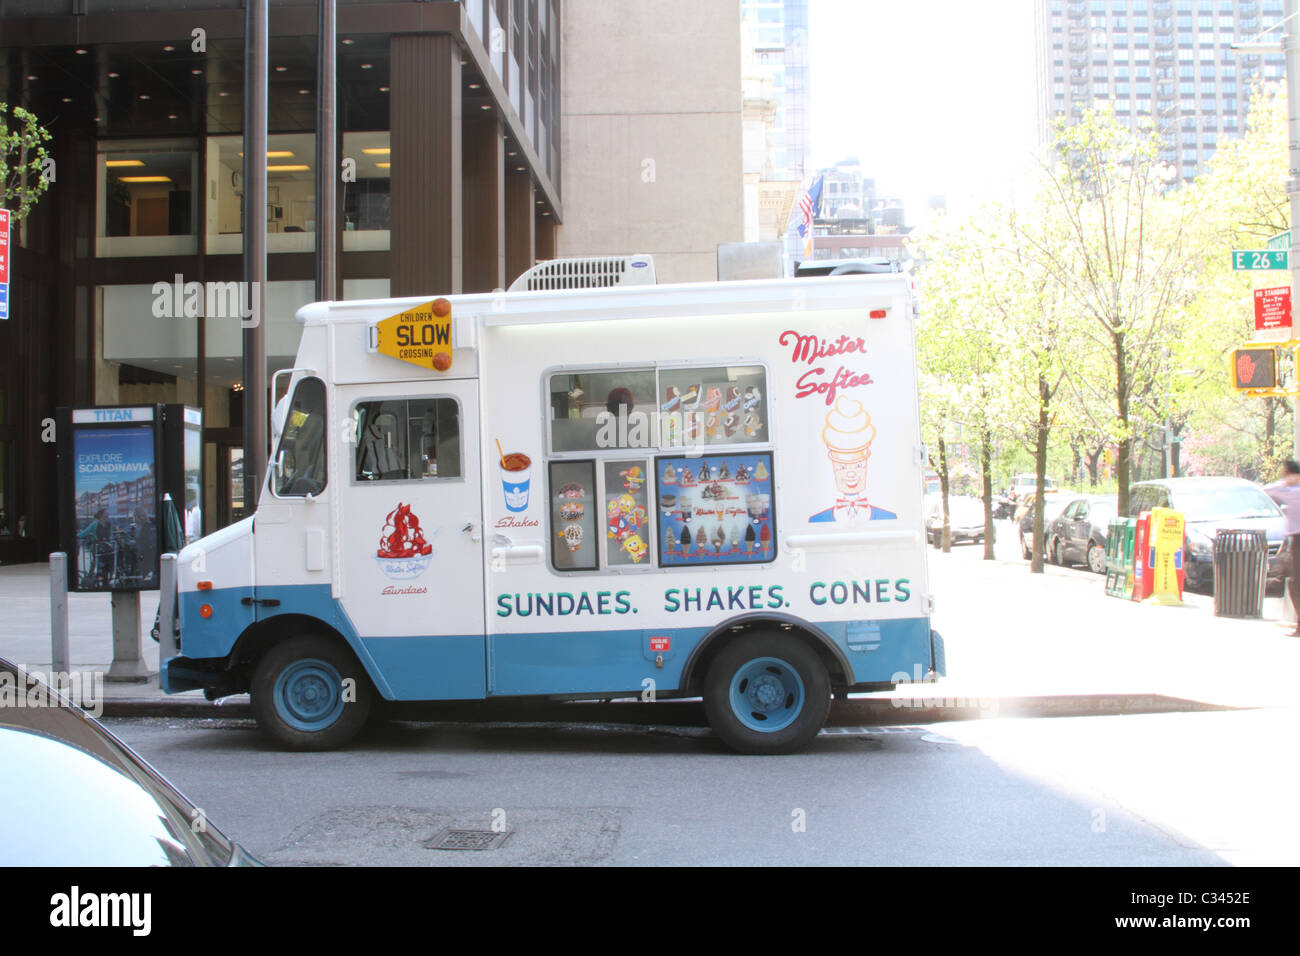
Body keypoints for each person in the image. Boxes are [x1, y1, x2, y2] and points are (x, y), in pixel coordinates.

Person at [1264, 459, 1300, 636]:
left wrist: (1288, 481)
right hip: (1294, 540)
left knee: (1295, 583)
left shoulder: (1292, 491)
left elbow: (1268, 489)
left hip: (1298, 540)